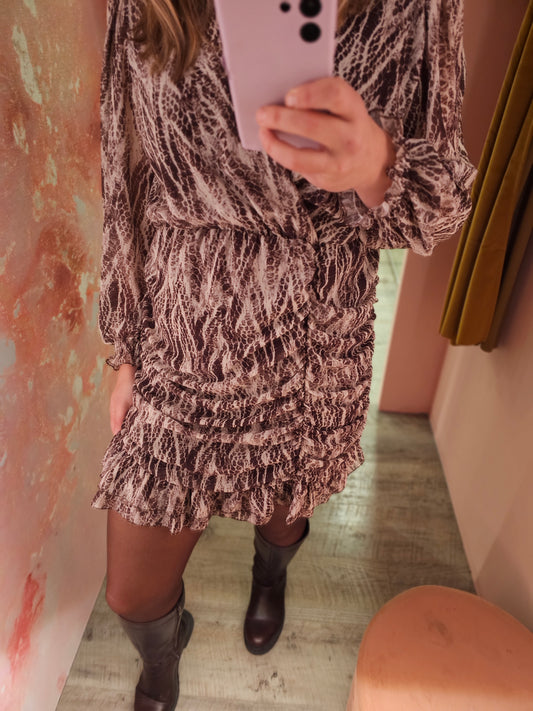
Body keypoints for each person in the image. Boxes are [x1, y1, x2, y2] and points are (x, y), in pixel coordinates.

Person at [91, 0, 475, 709]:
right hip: (184, 325)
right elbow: (126, 168)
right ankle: (162, 655)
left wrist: (376, 162)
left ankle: (270, 574)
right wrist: (126, 347)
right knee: (131, 591)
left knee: (282, 509)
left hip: (313, 330)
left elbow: (441, 202)